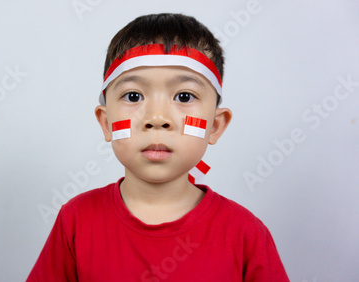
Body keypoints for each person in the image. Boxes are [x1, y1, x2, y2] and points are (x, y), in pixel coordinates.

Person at [27, 13, 289, 281]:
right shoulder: (76, 221)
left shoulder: (245, 234)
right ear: (106, 123)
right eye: (133, 96)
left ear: (215, 126)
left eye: (184, 96)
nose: (157, 118)